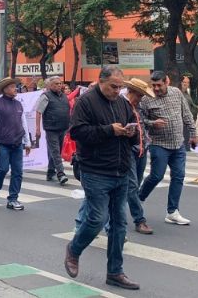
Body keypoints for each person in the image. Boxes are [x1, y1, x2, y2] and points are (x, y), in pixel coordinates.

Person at [63, 65, 141, 291]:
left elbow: (130, 130)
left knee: (119, 224)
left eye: (120, 87)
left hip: (121, 169)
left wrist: (130, 132)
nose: (117, 91)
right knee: (97, 219)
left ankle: (115, 272)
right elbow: (77, 132)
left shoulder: (123, 103)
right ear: (100, 81)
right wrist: (109, 130)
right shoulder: (85, 102)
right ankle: (74, 249)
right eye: (113, 87)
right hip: (95, 169)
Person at [138, 70, 198, 227]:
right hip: (159, 144)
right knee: (156, 176)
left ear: (167, 82)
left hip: (178, 143)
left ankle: (172, 212)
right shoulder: (146, 99)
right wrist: (152, 123)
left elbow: (186, 114)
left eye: (159, 85)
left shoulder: (176, 93)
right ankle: (138, 200)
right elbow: (139, 119)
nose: (156, 88)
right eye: (154, 85)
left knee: (178, 177)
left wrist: (193, 133)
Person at [0, 77, 32, 210]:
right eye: (12, 87)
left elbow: (24, 124)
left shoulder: (19, 104)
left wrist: (27, 142)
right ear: (5, 89)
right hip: (2, 143)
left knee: (18, 172)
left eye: (15, 86)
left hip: (17, 143)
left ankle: (13, 199)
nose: (15, 89)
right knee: (3, 169)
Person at [122, 78, 154, 235]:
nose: (140, 98)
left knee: (134, 185)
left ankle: (117, 213)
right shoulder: (120, 105)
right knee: (133, 186)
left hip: (142, 148)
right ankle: (139, 220)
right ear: (131, 92)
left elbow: (144, 123)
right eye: (139, 95)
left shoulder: (140, 107)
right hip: (128, 150)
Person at [35, 76, 71, 186]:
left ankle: (50, 172)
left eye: (60, 83)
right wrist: (37, 128)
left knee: (56, 151)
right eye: (56, 83)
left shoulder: (64, 96)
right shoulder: (45, 96)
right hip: (51, 129)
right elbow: (38, 111)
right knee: (55, 151)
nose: (59, 85)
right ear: (50, 86)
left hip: (63, 128)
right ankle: (61, 174)